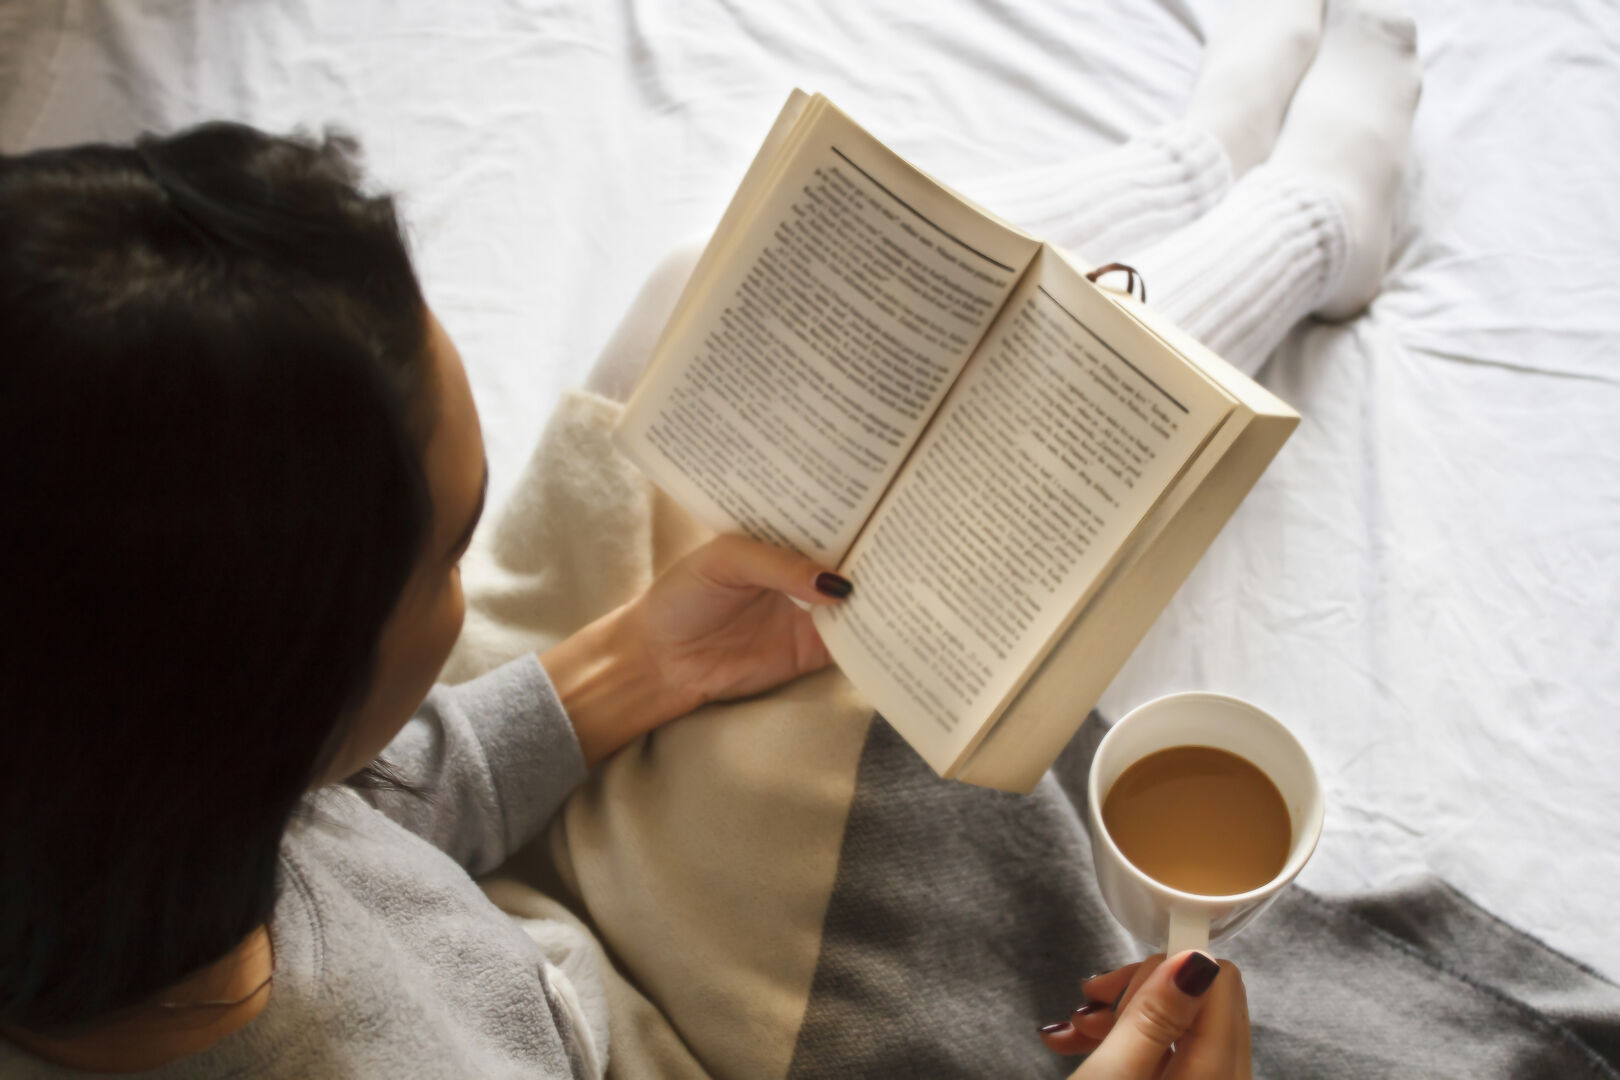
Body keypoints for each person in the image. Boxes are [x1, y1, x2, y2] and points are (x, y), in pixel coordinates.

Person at [0, 0, 1417, 1073]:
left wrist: (637, 663)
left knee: (705, 319)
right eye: (448, 550)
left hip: (524, 910)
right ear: (258, 720)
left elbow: (360, 812)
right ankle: (1299, 226)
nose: (463, 577)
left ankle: (1190, 173)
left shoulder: (98, 802)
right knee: (907, 632)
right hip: (655, 1022)